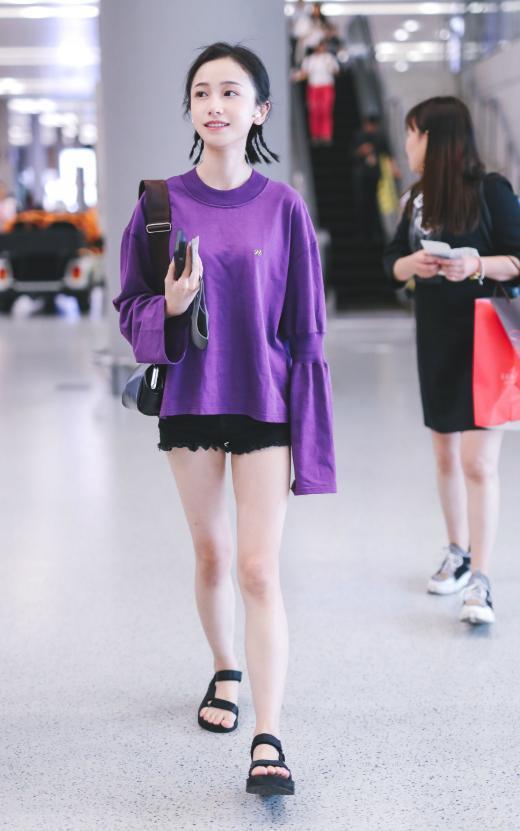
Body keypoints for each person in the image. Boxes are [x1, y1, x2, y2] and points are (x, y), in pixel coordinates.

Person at [113, 42, 336, 795]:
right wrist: (170, 306)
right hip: (190, 400)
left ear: (260, 110)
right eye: (203, 92)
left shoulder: (285, 207)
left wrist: (314, 437)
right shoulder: (158, 205)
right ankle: (224, 667)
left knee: (258, 569)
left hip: (265, 403)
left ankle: (269, 736)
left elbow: (307, 330)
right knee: (212, 556)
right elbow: (129, 307)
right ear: (190, 108)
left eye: (231, 92)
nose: (215, 104)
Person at [384, 96, 520, 625]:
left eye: (413, 133)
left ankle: (481, 580)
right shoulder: (416, 199)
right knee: (445, 456)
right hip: (435, 337)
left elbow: (517, 257)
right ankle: (458, 553)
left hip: (486, 340)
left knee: (478, 463)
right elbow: (390, 262)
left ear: (436, 139)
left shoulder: (492, 190)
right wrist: (411, 264)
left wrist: (475, 263)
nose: (408, 143)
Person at [352, 115, 399, 241]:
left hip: (375, 174)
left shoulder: (379, 137)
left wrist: (394, 168)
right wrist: (361, 151)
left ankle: (377, 232)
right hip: (362, 175)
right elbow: (352, 154)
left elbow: (388, 154)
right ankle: (363, 233)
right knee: (362, 203)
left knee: (377, 204)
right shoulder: (359, 136)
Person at [292, 39, 339, 145]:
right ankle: (315, 135)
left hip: (326, 86)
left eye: (323, 46)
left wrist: (331, 67)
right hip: (314, 87)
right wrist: (296, 77)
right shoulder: (309, 60)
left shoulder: (329, 58)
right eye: (319, 46)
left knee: (325, 110)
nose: (322, 48)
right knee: (314, 110)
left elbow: (336, 71)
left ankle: (326, 134)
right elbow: (304, 74)